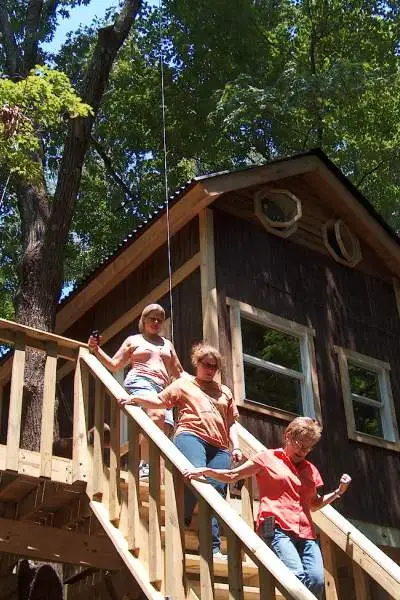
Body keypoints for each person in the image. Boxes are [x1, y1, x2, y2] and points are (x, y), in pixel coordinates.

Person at [183, 416, 351, 597]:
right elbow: (233, 475)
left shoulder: (311, 470)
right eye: (300, 444)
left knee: (317, 580)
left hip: (306, 534)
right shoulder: (267, 458)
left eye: (308, 447)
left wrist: (338, 491)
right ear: (288, 435)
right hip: (277, 528)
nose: (303, 451)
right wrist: (206, 471)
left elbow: (314, 504)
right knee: (296, 576)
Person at [121, 342, 243, 558]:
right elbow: (160, 400)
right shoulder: (184, 384)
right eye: (206, 364)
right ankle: (186, 514)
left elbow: (231, 423)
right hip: (191, 436)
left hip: (220, 446)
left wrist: (237, 447)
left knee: (216, 491)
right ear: (197, 363)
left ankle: (211, 548)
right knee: (196, 478)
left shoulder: (224, 392)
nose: (210, 369)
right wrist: (137, 398)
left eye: (214, 366)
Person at [88, 303, 185, 478]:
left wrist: (201, 385)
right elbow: (114, 364)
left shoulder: (167, 344)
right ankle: (145, 466)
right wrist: (96, 349)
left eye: (159, 319)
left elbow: (180, 373)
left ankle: (159, 475)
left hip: (163, 389)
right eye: (152, 318)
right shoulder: (134, 340)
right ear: (143, 320)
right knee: (156, 416)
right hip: (141, 381)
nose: (156, 322)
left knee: (164, 430)